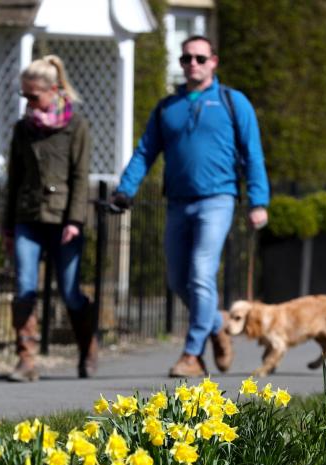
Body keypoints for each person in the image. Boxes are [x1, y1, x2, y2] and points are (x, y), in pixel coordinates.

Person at [113, 35, 269, 378]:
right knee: (178, 280)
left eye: (199, 58)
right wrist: (125, 190)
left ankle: (191, 354)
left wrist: (258, 200)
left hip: (218, 199)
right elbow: (144, 151)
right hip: (178, 203)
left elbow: (252, 153)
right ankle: (217, 325)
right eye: (186, 59)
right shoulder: (167, 107)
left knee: (201, 274)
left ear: (213, 61)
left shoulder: (232, 101)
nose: (192, 64)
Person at [3, 55, 95, 382]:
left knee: (70, 291)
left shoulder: (76, 126)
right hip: (27, 217)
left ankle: (87, 347)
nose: (28, 102)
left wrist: (75, 220)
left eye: (34, 95)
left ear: (53, 89)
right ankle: (26, 359)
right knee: (24, 286)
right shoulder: (22, 129)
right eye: (24, 96)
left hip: (63, 221)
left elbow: (81, 176)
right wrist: (7, 226)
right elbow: (13, 179)